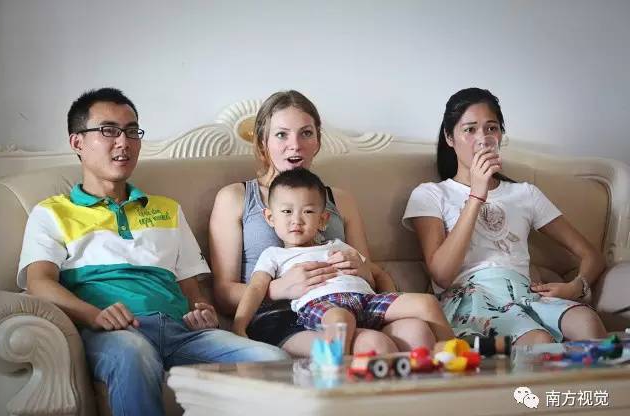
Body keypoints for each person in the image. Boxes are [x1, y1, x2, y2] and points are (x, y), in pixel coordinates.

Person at [17, 88, 288, 416]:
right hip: (112, 334)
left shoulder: (167, 209)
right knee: (134, 354)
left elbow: (191, 289)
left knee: (272, 358)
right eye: (109, 131)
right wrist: (94, 315)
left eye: (132, 131)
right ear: (77, 142)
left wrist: (202, 311)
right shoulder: (52, 212)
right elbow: (38, 283)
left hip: (180, 332)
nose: (124, 142)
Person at [210, 90, 444, 356]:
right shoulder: (236, 197)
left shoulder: (340, 200)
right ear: (263, 142)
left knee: (417, 332)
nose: (295, 145)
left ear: (318, 141)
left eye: (306, 133)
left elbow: (372, 274)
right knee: (373, 345)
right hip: (278, 317)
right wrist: (278, 288)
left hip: (352, 303)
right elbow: (223, 294)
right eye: (282, 134)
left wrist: (363, 270)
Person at [403, 87, 607, 345]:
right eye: (470, 130)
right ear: (449, 137)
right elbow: (442, 275)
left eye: (491, 128)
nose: (482, 139)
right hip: (471, 300)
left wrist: (576, 287)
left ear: (500, 135)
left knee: (588, 323)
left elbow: (592, 255)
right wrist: (476, 195)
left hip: (525, 295)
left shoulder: (525, 193)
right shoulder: (431, 194)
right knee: (537, 340)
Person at [233, 168, 454, 353]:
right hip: (323, 305)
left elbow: (377, 274)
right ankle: (337, 368)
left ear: (323, 220)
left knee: (427, 303)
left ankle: (453, 354)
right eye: (287, 211)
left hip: (366, 302)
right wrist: (239, 327)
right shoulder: (274, 254)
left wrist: (388, 300)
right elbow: (256, 288)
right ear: (270, 217)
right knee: (341, 319)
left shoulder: (339, 246)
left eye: (307, 212)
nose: (296, 220)